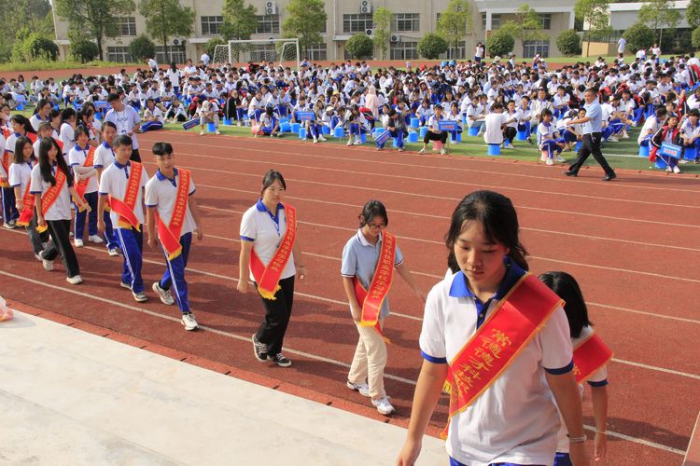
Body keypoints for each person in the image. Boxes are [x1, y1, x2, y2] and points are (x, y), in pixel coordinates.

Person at [397, 190, 589, 466]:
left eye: (488, 250)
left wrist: (577, 442)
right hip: (464, 446)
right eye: (464, 247)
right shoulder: (442, 297)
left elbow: (562, 381)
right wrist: (413, 440)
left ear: (508, 246)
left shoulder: (543, 307)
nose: (474, 260)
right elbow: (433, 370)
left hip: (526, 448)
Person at [341, 200, 424, 415]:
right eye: (373, 225)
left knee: (366, 344)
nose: (378, 230)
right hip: (362, 305)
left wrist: (416, 289)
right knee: (378, 351)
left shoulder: (387, 242)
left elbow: (400, 266)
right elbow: (347, 278)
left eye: (381, 225)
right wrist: (354, 306)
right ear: (362, 221)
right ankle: (378, 395)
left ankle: (355, 379)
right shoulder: (353, 246)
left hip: (379, 304)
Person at [538, 271, 610, 466]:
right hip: (521, 436)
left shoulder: (585, 340)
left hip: (561, 443)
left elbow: (599, 387)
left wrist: (600, 432)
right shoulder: (524, 331)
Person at [238, 170, 307, 367]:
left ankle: (275, 351)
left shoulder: (288, 212)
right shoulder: (251, 216)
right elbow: (245, 251)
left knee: (285, 315)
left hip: (286, 272)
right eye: (272, 189)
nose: (277, 193)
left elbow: (293, 241)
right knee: (276, 315)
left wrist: (301, 264)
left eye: (280, 189)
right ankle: (260, 338)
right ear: (263, 189)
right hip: (264, 273)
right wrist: (243, 278)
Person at [145, 142, 204, 331]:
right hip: (168, 234)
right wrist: (151, 235)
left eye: (169, 157)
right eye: (162, 158)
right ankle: (186, 313)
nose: (167, 161)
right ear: (155, 160)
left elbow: (192, 202)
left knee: (181, 265)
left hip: (185, 229)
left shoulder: (185, 176)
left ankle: (162, 286)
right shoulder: (152, 185)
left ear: (174, 156)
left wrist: (198, 225)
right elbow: (151, 212)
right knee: (178, 273)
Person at [97, 135, 149, 302]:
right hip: (120, 221)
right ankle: (137, 286)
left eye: (129, 149)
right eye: (123, 150)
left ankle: (127, 278)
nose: (127, 153)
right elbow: (102, 198)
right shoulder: (108, 173)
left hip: (137, 219)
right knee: (134, 255)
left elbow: (147, 189)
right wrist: (100, 219)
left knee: (134, 254)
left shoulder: (138, 168)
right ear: (115, 150)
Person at [31, 137, 88, 284]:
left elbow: (70, 187)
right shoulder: (38, 170)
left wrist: (81, 202)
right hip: (50, 211)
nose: (53, 152)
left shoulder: (62, 166)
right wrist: (39, 216)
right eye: (50, 149)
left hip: (65, 210)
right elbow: (37, 194)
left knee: (59, 240)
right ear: (43, 151)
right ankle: (72, 273)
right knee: (64, 243)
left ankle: (47, 255)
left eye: (55, 149)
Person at [564, 88, 617, 181]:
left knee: (597, 154)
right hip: (587, 133)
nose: (587, 97)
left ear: (594, 96)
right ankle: (574, 170)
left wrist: (572, 122)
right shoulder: (587, 105)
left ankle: (609, 172)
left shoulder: (595, 106)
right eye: (585, 95)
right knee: (582, 153)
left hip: (592, 134)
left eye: (589, 96)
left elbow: (587, 118)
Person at [11, 136, 48, 259]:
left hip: (40, 197)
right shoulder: (15, 166)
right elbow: (16, 184)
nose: (28, 150)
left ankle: (44, 242)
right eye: (25, 148)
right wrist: (19, 201)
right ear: (19, 150)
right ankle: (38, 250)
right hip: (26, 200)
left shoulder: (36, 162)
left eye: (30, 147)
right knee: (31, 227)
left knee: (43, 220)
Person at [69, 126, 102, 248]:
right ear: (76, 138)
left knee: (94, 211)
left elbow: (98, 168)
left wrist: (87, 174)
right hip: (81, 188)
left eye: (85, 135)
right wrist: (93, 169)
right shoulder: (73, 152)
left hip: (94, 186)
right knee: (81, 212)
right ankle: (78, 236)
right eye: (80, 136)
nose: (83, 138)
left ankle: (93, 233)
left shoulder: (94, 150)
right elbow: (76, 169)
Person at [104, 93, 142, 162]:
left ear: (119, 100)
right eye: (111, 104)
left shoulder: (131, 110)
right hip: (118, 145)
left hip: (131, 143)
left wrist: (132, 131)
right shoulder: (109, 114)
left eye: (113, 103)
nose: (112, 106)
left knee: (137, 165)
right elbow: (105, 128)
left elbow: (138, 124)